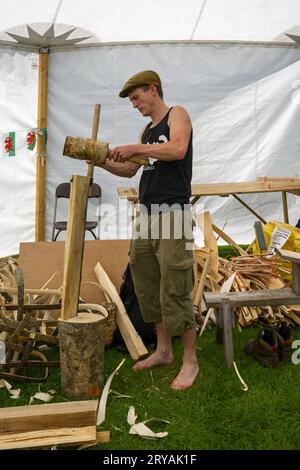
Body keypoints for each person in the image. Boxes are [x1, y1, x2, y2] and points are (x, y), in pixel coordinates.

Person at [94, 70, 199, 390]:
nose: (134, 104)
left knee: (175, 283)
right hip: (147, 214)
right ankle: (164, 350)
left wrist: (136, 148)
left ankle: (190, 361)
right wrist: (99, 159)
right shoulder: (147, 130)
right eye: (132, 101)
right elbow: (128, 170)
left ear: (153, 90)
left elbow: (178, 149)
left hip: (174, 213)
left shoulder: (176, 115)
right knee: (145, 280)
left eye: (137, 97)